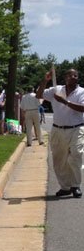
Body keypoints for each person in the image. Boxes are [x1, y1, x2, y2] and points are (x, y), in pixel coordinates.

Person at [36, 69, 84, 198]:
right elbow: (39, 95)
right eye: (69, 75)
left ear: (77, 78)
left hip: (76, 128)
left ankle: (75, 186)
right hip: (58, 129)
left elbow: (82, 108)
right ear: (65, 77)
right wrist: (45, 81)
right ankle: (65, 187)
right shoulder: (55, 90)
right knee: (59, 159)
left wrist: (64, 101)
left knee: (76, 155)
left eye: (75, 75)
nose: (72, 77)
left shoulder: (81, 92)